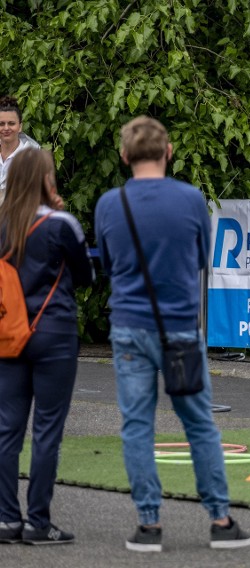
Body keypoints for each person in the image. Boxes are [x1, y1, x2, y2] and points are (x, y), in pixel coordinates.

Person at [94, 116, 250, 552]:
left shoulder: (110, 203)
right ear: (168, 153)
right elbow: (201, 257)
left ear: (124, 156)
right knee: (200, 425)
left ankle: (148, 525)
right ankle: (220, 520)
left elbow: (106, 263)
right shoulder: (190, 199)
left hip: (129, 325)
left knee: (137, 427)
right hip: (181, 326)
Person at [0, 148, 93, 545]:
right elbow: (86, 275)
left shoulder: (2, 225)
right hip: (53, 332)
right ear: (45, 179)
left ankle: (6, 519)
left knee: (6, 429)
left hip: (9, 332)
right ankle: (39, 520)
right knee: (46, 431)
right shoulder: (61, 223)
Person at [0, 96, 40, 202]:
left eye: (11, 123)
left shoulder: (32, 158)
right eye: (1, 124)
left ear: (20, 127)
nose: (6, 128)